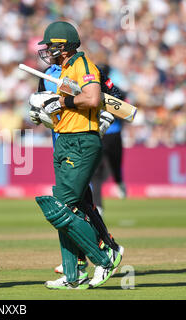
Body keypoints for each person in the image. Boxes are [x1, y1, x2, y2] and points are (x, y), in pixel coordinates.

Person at [29, 21, 122, 289]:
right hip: (62, 140)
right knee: (69, 206)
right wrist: (41, 114)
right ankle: (75, 273)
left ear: (64, 46)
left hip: (81, 141)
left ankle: (106, 254)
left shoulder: (84, 67)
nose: (47, 51)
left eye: (51, 46)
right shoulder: (51, 72)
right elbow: (47, 108)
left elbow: (104, 97)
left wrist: (100, 115)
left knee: (67, 207)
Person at [91, 64, 127, 216]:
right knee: (102, 169)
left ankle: (100, 203)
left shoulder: (106, 89)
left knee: (103, 169)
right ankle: (117, 185)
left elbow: (124, 108)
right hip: (110, 133)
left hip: (105, 132)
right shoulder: (114, 89)